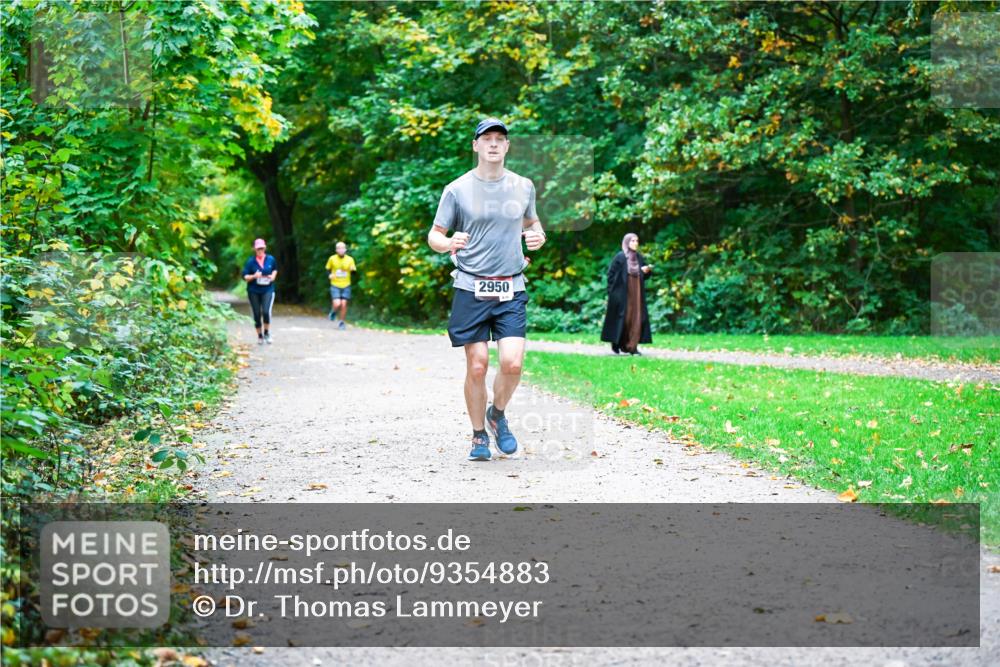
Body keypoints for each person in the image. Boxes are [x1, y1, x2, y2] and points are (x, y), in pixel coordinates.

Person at [427, 117, 546, 462]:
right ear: (476, 145)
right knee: (477, 365)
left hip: (511, 287)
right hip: (471, 287)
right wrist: (448, 241)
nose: (493, 144)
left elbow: (532, 224)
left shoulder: (523, 186)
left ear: (507, 146)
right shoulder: (457, 189)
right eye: (487, 138)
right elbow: (434, 235)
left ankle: (497, 415)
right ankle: (479, 435)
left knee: (512, 364)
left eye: (500, 139)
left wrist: (538, 236)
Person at [600, 232, 652, 355]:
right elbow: (611, 275)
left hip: (636, 294)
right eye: (632, 241)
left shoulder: (639, 257)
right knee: (625, 319)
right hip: (621, 295)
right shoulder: (620, 257)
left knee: (636, 319)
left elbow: (644, 275)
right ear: (627, 242)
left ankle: (632, 346)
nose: (635, 243)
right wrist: (612, 293)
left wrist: (646, 271)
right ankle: (617, 343)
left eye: (637, 241)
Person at [242, 238, 278, 345]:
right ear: (255, 249)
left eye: (262, 248)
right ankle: (260, 336)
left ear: (265, 248)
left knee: (266, 312)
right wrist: (254, 276)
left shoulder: (271, 259)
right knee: (257, 313)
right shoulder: (250, 262)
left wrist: (273, 276)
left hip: (268, 289)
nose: (260, 251)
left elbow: (275, 269)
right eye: (258, 249)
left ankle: (267, 333)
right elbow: (245, 276)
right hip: (254, 290)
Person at [325, 241, 356, 330]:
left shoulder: (350, 259)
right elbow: (327, 269)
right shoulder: (332, 259)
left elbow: (354, 273)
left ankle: (342, 322)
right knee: (337, 303)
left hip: (346, 284)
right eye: (339, 248)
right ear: (336, 250)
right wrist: (329, 275)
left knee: (343, 304)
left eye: (343, 248)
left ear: (345, 249)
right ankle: (333, 312)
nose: (341, 250)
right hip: (335, 284)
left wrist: (352, 270)